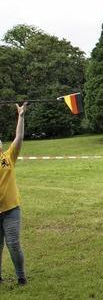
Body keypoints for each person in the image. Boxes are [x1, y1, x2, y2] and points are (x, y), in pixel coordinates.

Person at [0, 103, 28, 286]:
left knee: (13, 244)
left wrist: (21, 116)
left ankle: (21, 277)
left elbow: (19, 136)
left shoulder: (8, 157)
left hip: (11, 210)